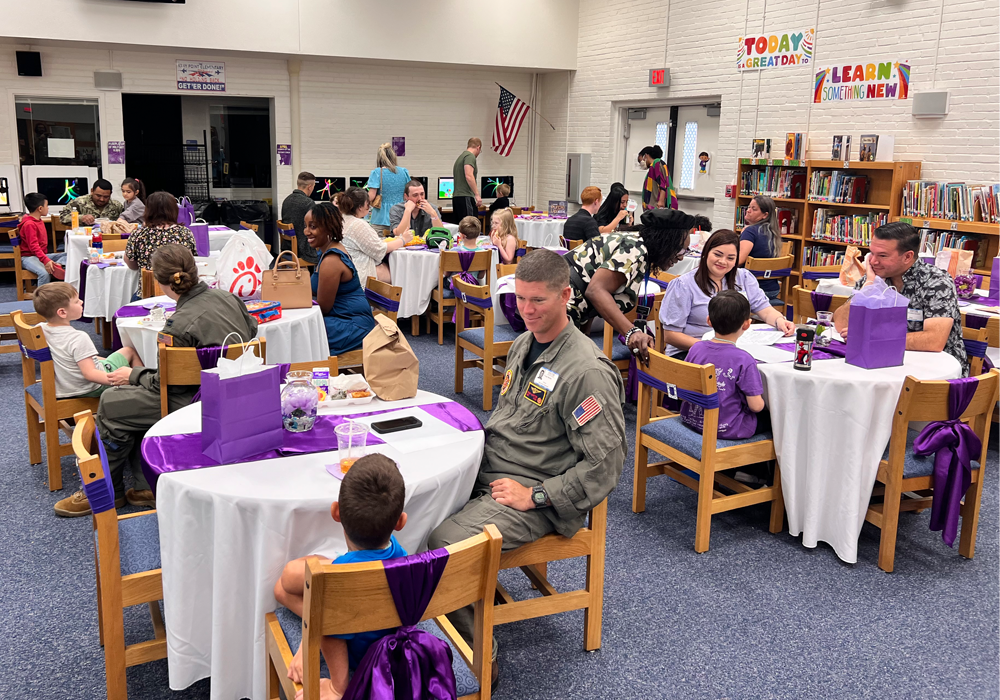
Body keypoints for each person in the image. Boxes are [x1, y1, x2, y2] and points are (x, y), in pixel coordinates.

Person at [427, 249, 627, 675]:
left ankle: (482, 658)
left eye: (538, 300)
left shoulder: (586, 372)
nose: (527, 310)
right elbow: (514, 421)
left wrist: (535, 496)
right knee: (412, 494)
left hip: (535, 492)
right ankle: (455, 600)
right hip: (494, 467)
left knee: (444, 544)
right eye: (520, 299)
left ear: (566, 296)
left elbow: (604, 467)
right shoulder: (523, 344)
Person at [54, 244, 258, 517]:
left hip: (196, 400)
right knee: (132, 402)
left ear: (160, 282)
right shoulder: (228, 297)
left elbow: (167, 382)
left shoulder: (177, 325)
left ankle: (105, 492)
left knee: (114, 402)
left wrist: (132, 374)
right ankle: (142, 485)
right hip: (240, 391)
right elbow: (252, 329)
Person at [275, 454, 408, 700]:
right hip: (389, 637)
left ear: (336, 512)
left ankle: (339, 687)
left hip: (360, 656)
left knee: (285, 588)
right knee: (283, 589)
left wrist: (338, 686)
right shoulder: (404, 557)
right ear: (400, 522)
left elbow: (330, 630)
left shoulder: (336, 577)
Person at [832, 221, 968, 375]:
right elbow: (841, 324)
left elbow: (934, 340)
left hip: (934, 372)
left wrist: (874, 339)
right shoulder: (876, 275)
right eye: (872, 253)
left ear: (907, 257)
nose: (873, 261)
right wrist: (869, 285)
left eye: (882, 255)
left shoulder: (936, 282)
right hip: (882, 362)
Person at [565, 208, 697, 365]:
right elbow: (596, 290)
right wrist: (631, 332)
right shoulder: (635, 250)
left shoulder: (635, 241)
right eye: (681, 250)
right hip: (560, 300)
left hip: (569, 303)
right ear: (666, 241)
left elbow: (589, 286)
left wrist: (584, 338)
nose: (682, 257)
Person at [659, 229, 795, 359]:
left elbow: (763, 309)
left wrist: (779, 320)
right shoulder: (684, 285)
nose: (723, 262)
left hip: (735, 349)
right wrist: (713, 347)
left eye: (730, 258)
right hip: (691, 351)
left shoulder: (744, 278)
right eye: (717, 254)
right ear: (706, 252)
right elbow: (671, 335)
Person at [680, 290, 769, 440]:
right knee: (775, 418)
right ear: (747, 324)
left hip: (691, 419)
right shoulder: (744, 359)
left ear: (709, 321)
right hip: (728, 427)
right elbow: (756, 406)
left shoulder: (696, 348)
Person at [33, 283, 141, 401]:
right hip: (90, 388)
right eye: (76, 301)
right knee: (130, 351)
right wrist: (124, 379)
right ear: (62, 312)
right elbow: (90, 374)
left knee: (115, 356)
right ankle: (140, 390)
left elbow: (66, 355)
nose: (81, 302)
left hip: (62, 386)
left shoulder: (39, 330)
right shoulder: (78, 338)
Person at [306, 202, 377, 356]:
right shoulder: (327, 250)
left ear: (328, 228)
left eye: (312, 227)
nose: (306, 232)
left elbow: (324, 307)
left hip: (353, 326)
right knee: (301, 330)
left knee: (301, 334)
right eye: (306, 226)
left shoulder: (332, 260)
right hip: (342, 318)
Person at [338, 187, 411, 285]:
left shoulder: (342, 220)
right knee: (402, 274)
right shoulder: (358, 224)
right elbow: (380, 250)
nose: (370, 207)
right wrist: (404, 239)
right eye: (368, 204)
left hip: (346, 269)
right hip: (359, 272)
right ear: (360, 207)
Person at [124, 192, 197, 271]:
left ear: (148, 210)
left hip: (148, 281)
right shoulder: (184, 233)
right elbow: (190, 261)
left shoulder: (138, 234)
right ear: (174, 210)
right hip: (178, 281)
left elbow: (131, 263)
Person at [739, 195, 782, 305]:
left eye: (754, 209)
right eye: (749, 207)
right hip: (773, 290)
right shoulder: (773, 232)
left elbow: (739, 260)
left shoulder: (750, 232)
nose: (748, 211)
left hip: (754, 290)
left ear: (765, 215)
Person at [19, 192, 67, 286]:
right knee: (44, 274)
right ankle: (41, 299)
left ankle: (57, 265)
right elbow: (34, 246)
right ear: (40, 208)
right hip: (28, 258)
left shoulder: (38, 220)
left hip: (39, 256)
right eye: (47, 205)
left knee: (68, 255)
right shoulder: (29, 224)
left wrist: (45, 259)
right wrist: (46, 260)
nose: (48, 208)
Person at [366, 143, 411, 235]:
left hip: (380, 218)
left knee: (381, 246)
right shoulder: (404, 172)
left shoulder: (377, 172)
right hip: (401, 215)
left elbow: (371, 196)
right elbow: (408, 194)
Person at [280, 171, 318, 264]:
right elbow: (315, 225)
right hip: (302, 249)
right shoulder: (308, 203)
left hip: (287, 247)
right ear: (309, 186)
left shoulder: (286, 200)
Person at [59, 179, 123, 225]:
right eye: (98, 195)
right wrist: (81, 218)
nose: (102, 199)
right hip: (84, 237)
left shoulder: (117, 206)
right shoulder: (79, 202)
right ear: (92, 191)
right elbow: (62, 217)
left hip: (109, 239)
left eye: (106, 197)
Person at [637, 145, 677, 212]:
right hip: (653, 206)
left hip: (657, 206)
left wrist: (661, 201)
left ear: (646, 156)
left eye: (641, 160)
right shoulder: (653, 168)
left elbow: (663, 184)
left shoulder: (657, 163)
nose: (641, 163)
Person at [451, 138, 482, 219]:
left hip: (457, 198)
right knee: (470, 226)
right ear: (478, 147)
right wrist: (477, 195)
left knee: (461, 226)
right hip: (466, 196)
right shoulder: (470, 156)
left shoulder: (460, 158)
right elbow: (469, 175)